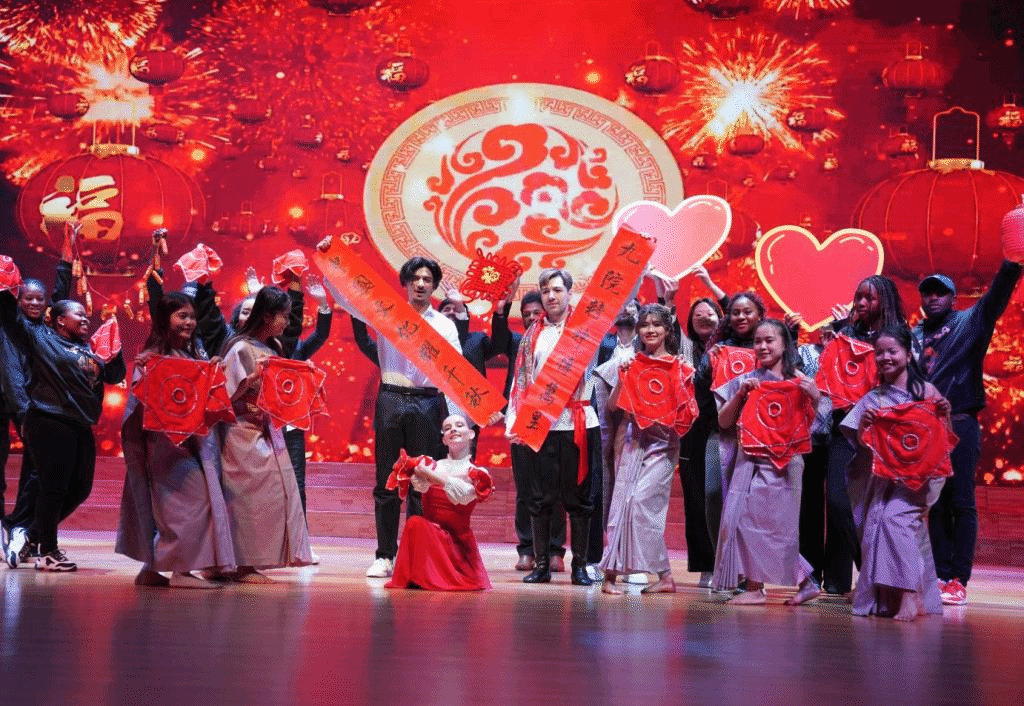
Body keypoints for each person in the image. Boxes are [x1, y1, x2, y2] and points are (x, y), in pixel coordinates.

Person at [914, 261, 1023, 605]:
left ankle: (958, 580)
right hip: (925, 427)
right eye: (927, 293)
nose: (933, 298)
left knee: (960, 500)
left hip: (960, 422)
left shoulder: (968, 322)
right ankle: (939, 575)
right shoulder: (914, 335)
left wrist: (1012, 263)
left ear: (953, 298)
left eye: (940, 293)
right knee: (936, 502)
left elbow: (996, 297)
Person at [350, 257, 465, 579]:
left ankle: (418, 555)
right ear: (405, 282)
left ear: (434, 285)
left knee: (422, 482)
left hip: (427, 402)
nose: (421, 284)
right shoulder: (387, 313)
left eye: (427, 279)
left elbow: (456, 370)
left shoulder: (444, 325)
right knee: (387, 480)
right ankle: (385, 555)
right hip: (391, 398)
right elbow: (352, 298)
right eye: (415, 278)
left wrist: (464, 416)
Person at [0, 290, 125, 571]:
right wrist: (5, 290)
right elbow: (11, 320)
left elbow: (115, 376)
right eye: (78, 314)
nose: (85, 318)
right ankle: (48, 552)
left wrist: (114, 351)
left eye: (85, 315)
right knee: (53, 488)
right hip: (49, 419)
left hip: (80, 424)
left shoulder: (88, 349)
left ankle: (31, 535)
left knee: (80, 488)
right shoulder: (41, 339)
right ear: (59, 320)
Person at [117, 292, 236, 588]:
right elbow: (142, 402)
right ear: (164, 319)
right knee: (191, 503)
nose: (189, 322)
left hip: (188, 444)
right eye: (182, 316)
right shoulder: (153, 356)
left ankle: (151, 570)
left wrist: (213, 369)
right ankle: (182, 571)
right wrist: (147, 374)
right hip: (166, 446)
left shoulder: (192, 353)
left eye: (192, 317)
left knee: (174, 507)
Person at [840, 326, 950, 621]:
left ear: (908, 354)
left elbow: (942, 438)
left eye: (892, 351)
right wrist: (865, 425)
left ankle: (909, 595)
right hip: (885, 480)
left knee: (893, 521)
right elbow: (865, 445)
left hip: (918, 478)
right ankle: (889, 599)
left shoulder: (926, 392)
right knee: (879, 527)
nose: (885, 357)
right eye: (879, 352)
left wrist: (944, 414)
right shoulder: (874, 398)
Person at [712, 319, 821, 606]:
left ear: (785, 344)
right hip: (749, 460)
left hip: (785, 463)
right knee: (741, 521)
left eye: (769, 340)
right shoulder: (748, 380)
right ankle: (802, 582)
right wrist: (740, 394)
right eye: (757, 341)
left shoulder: (802, 381)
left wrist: (815, 397)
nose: (762, 346)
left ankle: (757, 588)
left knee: (774, 529)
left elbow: (813, 424)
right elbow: (724, 421)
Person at [506, 268, 599, 586]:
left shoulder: (586, 330)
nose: (551, 296)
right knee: (539, 498)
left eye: (557, 290)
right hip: (541, 426)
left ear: (570, 293)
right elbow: (520, 382)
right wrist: (514, 422)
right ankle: (542, 565)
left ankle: (580, 567)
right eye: (546, 291)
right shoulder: (532, 335)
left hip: (578, 423)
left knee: (579, 499)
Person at [820, 274, 910, 595]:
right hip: (843, 427)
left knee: (872, 508)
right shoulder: (845, 333)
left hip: (882, 432)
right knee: (838, 502)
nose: (860, 303)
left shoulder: (898, 337)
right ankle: (851, 576)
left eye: (869, 298)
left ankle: (877, 577)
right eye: (858, 296)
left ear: (884, 300)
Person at [219, 286, 312, 582]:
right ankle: (241, 565)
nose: (287, 322)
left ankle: (249, 562)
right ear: (268, 316)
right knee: (245, 499)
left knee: (268, 497)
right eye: (284, 316)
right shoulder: (240, 348)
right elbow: (224, 396)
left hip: (266, 429)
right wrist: (251, 379)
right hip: (240, 431)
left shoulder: (274, 347)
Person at [599, 304, 689, 595]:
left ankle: (664, 574)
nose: (651, 330)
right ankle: (610, 577)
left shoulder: (679, 365)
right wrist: (623, 375)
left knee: (641, 505)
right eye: (645, 325)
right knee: (622, 504)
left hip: (663, 443)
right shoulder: (631, 362)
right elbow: (613, 405)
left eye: (657, 325)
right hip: (633, 439)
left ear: (667, 330)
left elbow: (686, 410)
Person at [2, 236, 73, 567]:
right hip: (12, 400)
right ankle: (11, 526)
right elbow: (11, 371)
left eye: (38, 299)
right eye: (27, 297)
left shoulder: (46, 329)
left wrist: (67, 259)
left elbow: (60, 297)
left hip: (31, 405)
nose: (34, 303)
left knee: (36, 470)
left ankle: (20, 526)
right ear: (17, 300)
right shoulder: (11, 325)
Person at [490, 290, 568, 572]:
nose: (532, 318)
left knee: (555, 488)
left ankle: (555, 550)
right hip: (521, 422)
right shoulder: (517, 342)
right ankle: (527, 549)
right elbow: (499, 339)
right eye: (527, 315)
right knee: (525, 488)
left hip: (555, 421)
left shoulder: (559, 339)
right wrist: (501, 310)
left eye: (537, 313)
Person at [693, 291, 766, 564]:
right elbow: (701, 393)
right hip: (721, 433)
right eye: (735, 312)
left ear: (759, 315)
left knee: (752, 503)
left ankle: (748, 569)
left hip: (760, 437)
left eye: (747, 312)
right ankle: (723, 563)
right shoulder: (717, 351)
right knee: (714, 495)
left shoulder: (769, 348)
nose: (741, 317)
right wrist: (719, 420)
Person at [386, 414, 493, 591]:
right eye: (448, 428)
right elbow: (420, 487)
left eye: (459, 425)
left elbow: (463, 496)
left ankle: (431, 576)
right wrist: (417, 475)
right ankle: (419, 575)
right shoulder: (432, 464)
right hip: (431, 536)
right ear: (444, 439)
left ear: (471, 434)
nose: (453, 430)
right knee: (415, 522)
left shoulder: (477, 472)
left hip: (457, 543)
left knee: (417, 523)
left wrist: (434, 477)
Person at [677, 288, 726, 587]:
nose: (705, 318)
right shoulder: (684, 350)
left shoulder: (730, 348)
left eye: (710, 313)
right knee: (696, 500)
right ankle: (706, 565)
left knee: (720, 497)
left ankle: (729, 563)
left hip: (724, 430)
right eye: (698, 315)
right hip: (692, 432)